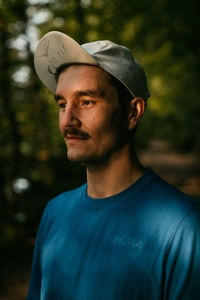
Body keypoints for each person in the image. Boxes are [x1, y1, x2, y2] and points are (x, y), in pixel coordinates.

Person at [27, 31, 200, 300]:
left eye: (86, 102)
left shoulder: (183, 226)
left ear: (133, 113)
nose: (68, 119)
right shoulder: (55, 212)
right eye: (62, 104)